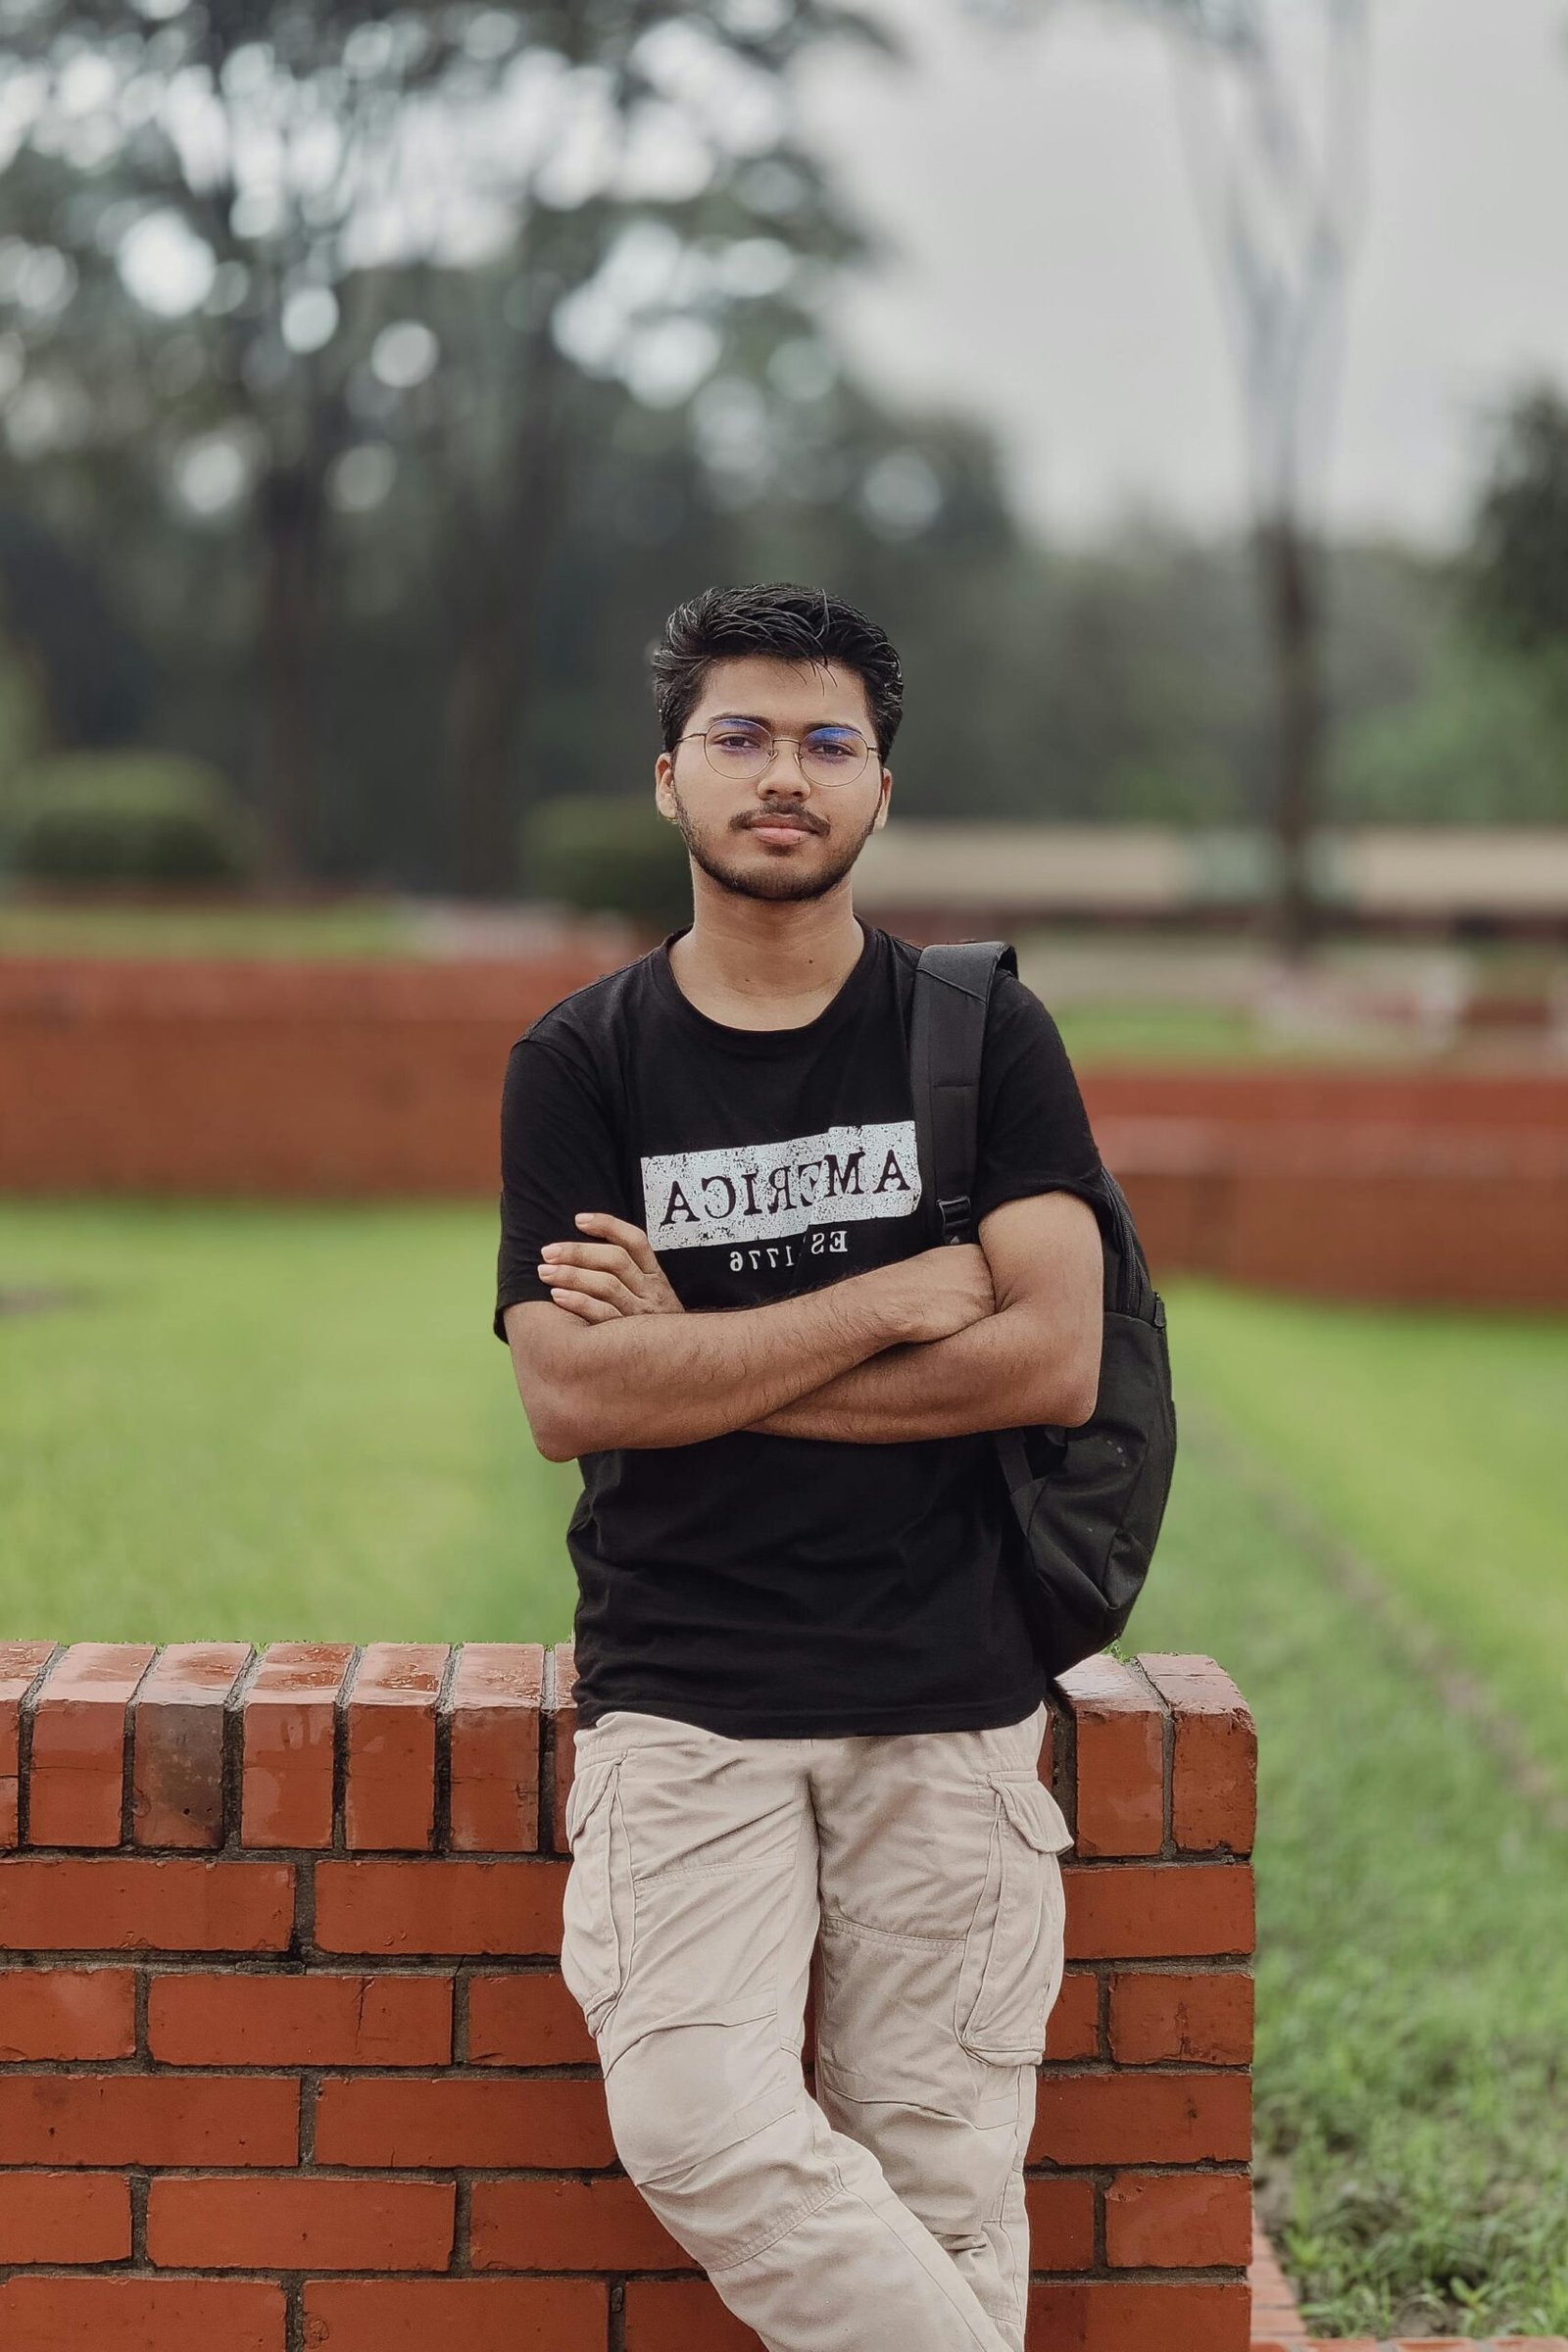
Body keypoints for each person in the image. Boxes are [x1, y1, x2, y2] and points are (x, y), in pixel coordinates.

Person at [493, 581, 1106, 2352]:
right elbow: (567, 1398)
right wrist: (887, 1304)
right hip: (687, 1689)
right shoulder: (585, 1061)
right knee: (694, 2119)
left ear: (881, 792)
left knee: (942, 2179)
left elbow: (1047, 1358)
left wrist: (693, 1350)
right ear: (668, 780)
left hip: (950, 1684)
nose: (787, 774)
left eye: (829, 742)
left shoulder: (982, 1036)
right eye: (742, 738)